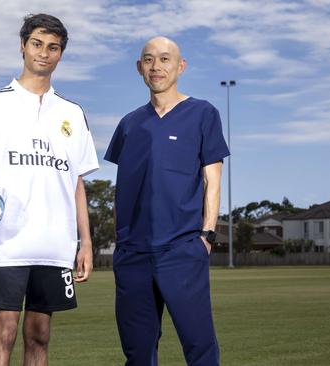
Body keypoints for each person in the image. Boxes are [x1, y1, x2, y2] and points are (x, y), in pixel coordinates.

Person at [0, 13, 98, 366]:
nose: (44, 53)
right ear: (23, 47)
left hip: (55, 246)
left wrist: (84, 242)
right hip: (7, 243)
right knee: (4, 332)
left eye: (53, 47)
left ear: (61, 54)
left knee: (40, 336)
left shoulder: (72, 112)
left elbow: (76, 182)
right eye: (37, 44)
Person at [104, 37, 230, 366]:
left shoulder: (203, 114)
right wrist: (121, 240)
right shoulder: (129, 124)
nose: (156, 66)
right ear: (139, 68)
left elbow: (212, 180)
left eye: (164, 59)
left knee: (200, 347)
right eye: (148, 60)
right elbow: (122, 188)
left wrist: (207, 235)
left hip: (182, 249)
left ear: (180, 66)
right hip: (133, 254)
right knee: (138, 352)